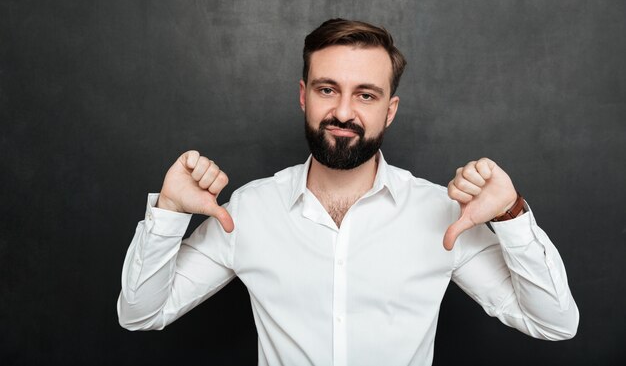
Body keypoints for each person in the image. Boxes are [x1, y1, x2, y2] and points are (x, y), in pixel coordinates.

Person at [117, 19, 579, 366]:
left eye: (366, 95)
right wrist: (171, 212)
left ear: (390, 110)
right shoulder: (251, 211)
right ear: (304, 96)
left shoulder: (441, 214)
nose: (342, 111)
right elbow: (141, 313)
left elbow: (554, 323)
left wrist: (512, 215)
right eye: (327, 89)